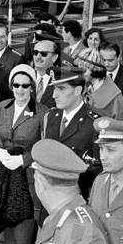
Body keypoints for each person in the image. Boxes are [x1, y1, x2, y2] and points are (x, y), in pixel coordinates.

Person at [0, 63, 44, 244]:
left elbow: (44, 144)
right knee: (10, 218)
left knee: (24, 219)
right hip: (6, 170)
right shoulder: (4, 106)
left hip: (27, 173)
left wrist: (23, 160)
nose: (20, 89)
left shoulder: (42, 111)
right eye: (16, 85)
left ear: (32, 87)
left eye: (25, 85)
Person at [41, 69, 100, 198]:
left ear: (77, 91)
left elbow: (97, 169)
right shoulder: (51, 116)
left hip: (77, 195)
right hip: (49, 195)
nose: (54, 95)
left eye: (61, 89)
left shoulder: (94, 123)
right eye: (54, 88)